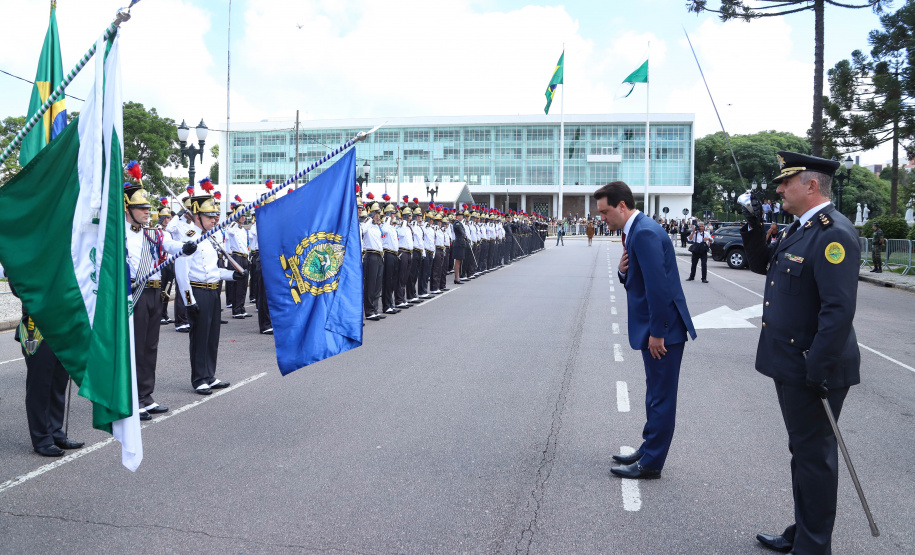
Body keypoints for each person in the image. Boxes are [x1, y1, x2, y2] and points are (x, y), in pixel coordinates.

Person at [741, 151, 860, 555]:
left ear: (811, 185)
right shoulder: (801, 229)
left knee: (814, 458)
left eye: (785, 182)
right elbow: (762, 266)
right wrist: (754, 225)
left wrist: (817, 368)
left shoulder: (833, 233)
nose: (778, 189)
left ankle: (813, 546)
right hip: (793, 363)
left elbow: (838, 309)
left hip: (813, 367)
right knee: (803, 453)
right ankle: (805, 531)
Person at [596, 181, 696, 480]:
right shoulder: (637, 231)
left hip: (663, 331)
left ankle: (652, 462)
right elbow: (640, 278)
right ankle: (649, 447)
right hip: (658, 328)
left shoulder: (645, 233)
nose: (602, 219)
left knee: (661, 396)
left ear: (622, 206)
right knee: (654, 394)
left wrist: (658, 333)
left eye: (605, 212)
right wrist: (622, 272)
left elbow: (659, 289)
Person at [124, 178, 195, 419]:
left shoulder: (154, 233)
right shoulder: (117, 233)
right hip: (135, 293)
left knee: (150, 347)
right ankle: (133, 399)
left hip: (155, 292)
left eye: (147, 208)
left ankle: (146, 395)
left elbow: (171, 244)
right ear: (127, 209)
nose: (147, 212)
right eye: (142, 208)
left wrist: (186, 246)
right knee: (135, 348)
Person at [175, 193, 246, 394]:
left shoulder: (211, 238)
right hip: (198, 292)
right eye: (209, 216)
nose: (214, 219)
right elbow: (182, 275)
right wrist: (189, 301)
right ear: (197, 217)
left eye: (215, 216)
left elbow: (215, 271)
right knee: (199, 337)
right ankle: (199, 379)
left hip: (214, 292)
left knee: (212, 336)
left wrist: (234, 275)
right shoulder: (189, 239)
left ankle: (209, 375)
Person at [225, 204, 251, 320]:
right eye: (241, 215)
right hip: (237, 257)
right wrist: (233, 221)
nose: (243, 218)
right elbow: (228, 231)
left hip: (244, 257)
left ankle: (241, 308)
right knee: (237, 285)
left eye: (244, 215)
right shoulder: (232, 227)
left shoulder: (244, 231)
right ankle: (236, 310)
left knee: (244, 285)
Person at [361, 201, 385, 320]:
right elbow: (363, 231)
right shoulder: (366, 224)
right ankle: (369, 311)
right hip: (370, 255)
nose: (377, 215)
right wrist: (369, 219)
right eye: (375, 213)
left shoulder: (377, 226)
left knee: (377, 285)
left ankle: (374, 309)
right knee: (370, 284)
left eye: (379, 213)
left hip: (379, 256)